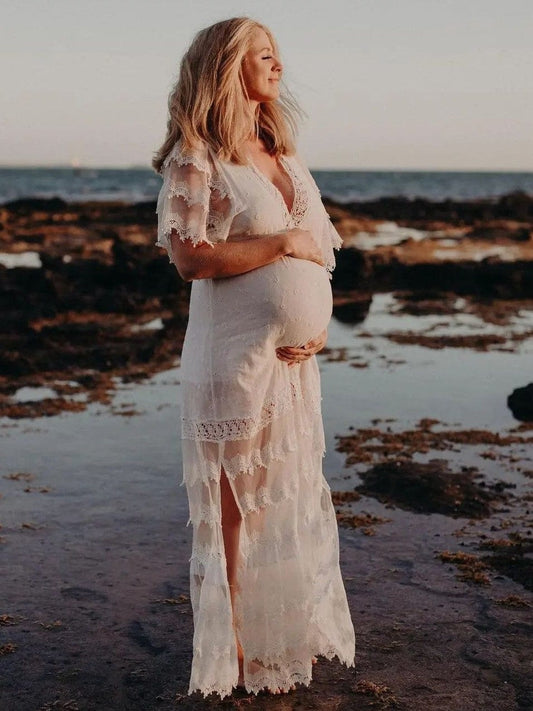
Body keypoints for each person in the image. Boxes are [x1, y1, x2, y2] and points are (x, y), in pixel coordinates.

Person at [152, 16, 355, 698]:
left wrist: (317, 325)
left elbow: (321, 246)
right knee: (235, 511)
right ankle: (234, 648)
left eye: (276, 56)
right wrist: (279, 247)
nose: (277, 67)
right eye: (263, 55)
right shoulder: (197, 158)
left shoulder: (283, 154)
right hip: (233, 358)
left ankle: (275, 639)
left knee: (281, 501)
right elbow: (190, 257)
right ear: (227, 65)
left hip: (293, 366)